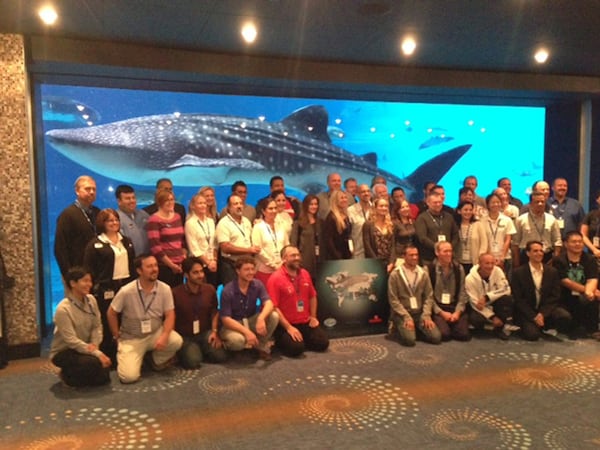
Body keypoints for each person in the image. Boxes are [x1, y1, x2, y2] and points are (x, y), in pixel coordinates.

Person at [107, 254, 183, 384]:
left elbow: (170, 314)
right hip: (132, 338)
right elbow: (111, 313)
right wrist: (116, 337)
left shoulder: (165, 289)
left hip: (155, 333)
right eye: (149, 266)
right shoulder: (126, 291)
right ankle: (137, 357)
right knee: (128, 377)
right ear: (139, 271)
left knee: (176, 340)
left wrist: (164, 335)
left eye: (155, 265)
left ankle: (154, 360)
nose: (154, 269)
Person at [83, 208, 135, 362]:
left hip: (126, 285)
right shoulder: (95, 244)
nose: (114, 223)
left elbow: (133, 264)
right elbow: (88, 269)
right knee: (107, 321)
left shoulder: (126, 241)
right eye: (110, 220)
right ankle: (109, 354)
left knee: (126, 318)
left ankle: (128, 351)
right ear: (102, 223)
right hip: (106, 289)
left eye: (116, 219)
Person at [49, 267, 111, 387]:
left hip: (86, 347)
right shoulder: (63, 309)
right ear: (73, 283)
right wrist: (96, 354)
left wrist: (95, 345)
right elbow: (71, 341)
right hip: (65, 350)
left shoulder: (91, 300)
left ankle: (80, 374)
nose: (89, 284)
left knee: (105, 376)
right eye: (85, 281)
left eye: (90, 281)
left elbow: (97, 326)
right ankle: (66, 375)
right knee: (93, 364)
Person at [266, 246, 329, 357]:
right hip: (286, 324)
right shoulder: (275, 278)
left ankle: (301, 340)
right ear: (284, 259)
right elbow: (274, 307)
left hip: (305, 321)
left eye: (298, 255)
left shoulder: (305, 273)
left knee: (323, 343)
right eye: (292, 255)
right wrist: (288, 327)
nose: (297, 258)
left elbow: (312, 296)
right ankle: (281, 343)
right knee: (296, 349)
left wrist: (313, 317)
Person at [219, 256, 279, 360]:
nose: (251, 272)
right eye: (246, 269)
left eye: (252, 269)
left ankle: (260, 346)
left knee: (274, 316)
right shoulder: (228, 290)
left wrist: (261, 318)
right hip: (233, 324)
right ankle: (232, 347)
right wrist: (247, 332)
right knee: (237, 341)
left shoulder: (257, 284)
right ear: (238, 271)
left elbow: (269, 303)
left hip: (250, 320)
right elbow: (226, 320)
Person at [172, 257, 228, 368]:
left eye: (201, 271)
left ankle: (201, 348)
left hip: (205, 332)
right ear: (186, 275)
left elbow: (214, 311)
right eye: (195, 273)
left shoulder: (210, 289)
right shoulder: (175, 293)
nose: (200, 275)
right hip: (185, 336)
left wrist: (214, 332)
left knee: (220, 357)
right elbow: (171, 317)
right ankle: (192, 350)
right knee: (193, 362)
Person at [512, 240, 571, 341]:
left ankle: (544, 325)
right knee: (532, 336)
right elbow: (519, 299)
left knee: (564, 316)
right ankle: (531, 326)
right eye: (535, 251)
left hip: (545, 310)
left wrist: (542, 314)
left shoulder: (552, 272)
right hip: (527, 312)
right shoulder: (518, 273)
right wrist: (534, 316)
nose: (539, 253)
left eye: (541, 251)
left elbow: (555, 296)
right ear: (528, 253)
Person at [387, 245, 441, 347]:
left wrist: (426, 315)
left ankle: (417, 328)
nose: (415, 257)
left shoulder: (423, 273)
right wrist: (406, 317)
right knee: (410, 341)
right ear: (404, 256)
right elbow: (393, 300)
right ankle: (396, 327)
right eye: (411, 255)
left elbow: (429, 296)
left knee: (436, 338)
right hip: (402, 314)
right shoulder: (395, 274)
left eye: (416, 255)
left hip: (419, 313)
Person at [553, 231, 600, 340]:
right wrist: (586, 290)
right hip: (564, 297)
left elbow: (592, 278)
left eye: (580, 242)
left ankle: (593, 330)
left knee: (590, 299)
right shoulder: (559, 260)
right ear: (565, 244)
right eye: (574, 242)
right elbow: (565, 281)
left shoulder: (590, 259)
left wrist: (589, 291)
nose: (578, 244)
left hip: (585, 295)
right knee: (564, 318)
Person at [54, 175, 100, 279]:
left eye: (94, 189)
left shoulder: (97, 212)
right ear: (77, 191)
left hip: (95, 273)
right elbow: (60, 249)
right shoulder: (67, 215)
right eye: (87, 189)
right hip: (76, 275)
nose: (92, 192)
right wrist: (69, 275)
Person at [465, 253, 516, 340]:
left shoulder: (498, 271)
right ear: (480, 263)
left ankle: (499, 328)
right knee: (476, 319)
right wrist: (492, 317)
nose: (490, 266)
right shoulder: (470, 279)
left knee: (507, 299)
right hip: (479, 307)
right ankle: (481, 328)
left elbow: (506, 289)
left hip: (494, 302)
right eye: (487, 263)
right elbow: (474, 302)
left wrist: (487, 297)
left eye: (492, 263)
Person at [427, 242, 471, 341]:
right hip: (438, 308)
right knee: (444, 335)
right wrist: (441, 313)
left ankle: (452, 324)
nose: (449, 254)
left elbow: (463, 293)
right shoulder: (429, 269)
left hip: (454, 306)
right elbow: (428, 296)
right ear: (437, 253)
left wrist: (457, 312)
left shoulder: (459, 268)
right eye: (445, 251)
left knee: (463, 335)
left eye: (450, 251)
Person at [215, 194, 260, 285]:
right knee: (233, 294)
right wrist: (248, 250)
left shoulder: (246, 221)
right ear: (229, 207)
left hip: (247, 264)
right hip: (231, 265)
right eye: (235, 204)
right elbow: (225, 247)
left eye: (240, 203)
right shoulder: (223, 223)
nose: (239, 206)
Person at [147, 189, 186, 287]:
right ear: (160, 202)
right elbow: (155, 247)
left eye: (172, 199)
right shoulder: (154, 220)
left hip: (180, 264)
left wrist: (183, 258)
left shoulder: (177, 217)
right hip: (164, 266)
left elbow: (181, 240)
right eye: (167, 200)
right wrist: (171, 265)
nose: (170, 202)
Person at [512, 190, 562, 267]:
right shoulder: (521, 220)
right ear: (530, 204)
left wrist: (555, 259)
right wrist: (516, 263)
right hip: (526, 257)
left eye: (542, 202)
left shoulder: (551, 219)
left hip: (547, 257)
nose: (540, 204)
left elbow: (557, 241)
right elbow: (515, 243)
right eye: (537, 202)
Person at [414, 192, 459, 265]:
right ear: (428, 203)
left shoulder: (449, 217)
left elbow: (455, 234)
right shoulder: (422, 218)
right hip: (429, 258)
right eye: (435, 202)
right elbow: (422, 238)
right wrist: (437, 247)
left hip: (448, 257)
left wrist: (449, 248)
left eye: (440, 202)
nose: (438, 205)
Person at [185, 192, 219, 288]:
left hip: (213, 264)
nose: (203, 205)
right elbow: (194, 248)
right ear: (193, 206)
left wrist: (214, 261)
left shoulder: (211, 221)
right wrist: (208, 263)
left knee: (212, 291)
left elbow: (215, 244)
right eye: (200, 203)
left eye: (204, 203)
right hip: (199, 265)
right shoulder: (190, 223)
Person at [252, 199, 288, 286]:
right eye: (270, 208)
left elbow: (287, 245)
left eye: (275, 208)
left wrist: (283, 262)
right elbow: (258, 250)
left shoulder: (281, 226)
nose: (274, 211)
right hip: (264, 270)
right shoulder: (258, 227)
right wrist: (273, 265)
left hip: (282, 269)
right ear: (263, 211)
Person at [483, 192, 516, 278]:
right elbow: (484, 240)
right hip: (488, 258)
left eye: (498, 202)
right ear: (487, 205)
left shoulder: (507, 220)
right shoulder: (482, 221)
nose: (496, 204)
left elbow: (508, 239)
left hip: (505, 257)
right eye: (493, 202)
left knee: (505, 281)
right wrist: (491, 257)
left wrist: (502, 257)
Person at [290, 194, 322, 280]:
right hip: (304, 261)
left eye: (316, 204)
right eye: (311, 204)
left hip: (319, 261)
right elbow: (293, 243)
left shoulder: (321, 222)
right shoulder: (298, 223)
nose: (314, 206)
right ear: (306, 205)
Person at [115, 184, 150, 256]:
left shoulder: (144, 215)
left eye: (133, 198)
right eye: (128, 198)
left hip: (146, 261)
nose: (132, 201)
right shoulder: (115, 219)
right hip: (127, 261)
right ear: (119, 201)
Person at [363, 197, 396, 272]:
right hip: (374, 263)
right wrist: (377, 263)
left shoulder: (390, 224)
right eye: (381, 206)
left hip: (389, 263)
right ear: (375, 208)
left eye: (386, 206)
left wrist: (391, 262)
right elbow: (367, 246)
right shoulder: (368, 225)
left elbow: (393, 245)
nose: (384, 208)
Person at [455, 201, 488, 274]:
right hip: (459, 261)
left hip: (475, 261)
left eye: (470, 210)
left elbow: (484, 242)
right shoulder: (455, 225)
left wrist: (481, 256)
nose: (468, 212)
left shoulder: (478, 224)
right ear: (459, 211)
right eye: (465, 210)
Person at [322, 190, 353, 260]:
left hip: (346, 253)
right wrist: (337, 256)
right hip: (336, 255)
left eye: (345, 197)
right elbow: (329, 240)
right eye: (341, 198)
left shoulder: (346, 215)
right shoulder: (331, 217)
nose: (344, 200)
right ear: (335, 200)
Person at [347, 183, 372, 259]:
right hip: (358, 253)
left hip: (375, 253)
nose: (366, 193)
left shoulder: (376, 209)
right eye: (363, 192)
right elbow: (348, 234)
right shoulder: (350, 210)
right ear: (357, 194)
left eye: (368, 191)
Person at [580, 190, 600, 268]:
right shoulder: (591, 215)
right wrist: (594, 249)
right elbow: (583, 234)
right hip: (592, 253)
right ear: (597, 200)